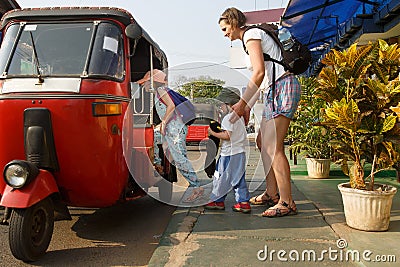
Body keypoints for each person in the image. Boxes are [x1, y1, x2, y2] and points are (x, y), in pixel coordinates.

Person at [218, 7, 300, 217]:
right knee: (262, 142)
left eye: (225, 28)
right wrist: (244, 107)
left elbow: (259, 72)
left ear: (234, 22)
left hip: (283, 87)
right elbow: (262, 79)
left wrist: (242, 103)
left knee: (274, 146)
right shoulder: (250, 39)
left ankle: (286, 201)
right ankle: (272, 193)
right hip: (272, 90)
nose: (224, 33)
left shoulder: (252, 34)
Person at [137, 69, 203, 203]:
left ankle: (196, 187)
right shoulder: (158, 92)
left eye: (145, 83)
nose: (144, 86)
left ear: (153, 82)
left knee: (179, 159)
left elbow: (171, 106)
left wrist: (163, 123)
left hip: (175, 129)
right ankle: (158, 164)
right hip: (171, 128)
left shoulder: (161, 90)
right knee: (153, 137)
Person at [205, 87, 251, 213]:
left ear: (229, 104)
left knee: (220, 177)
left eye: (222, 105)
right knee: (238, 178)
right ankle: (243, 202)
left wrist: (212, 133)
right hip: (239, 153)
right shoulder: (240, 117)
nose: (220, 108)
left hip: (228, 155)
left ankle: (217, 201)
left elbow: (227, 136)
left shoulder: (228, 118)